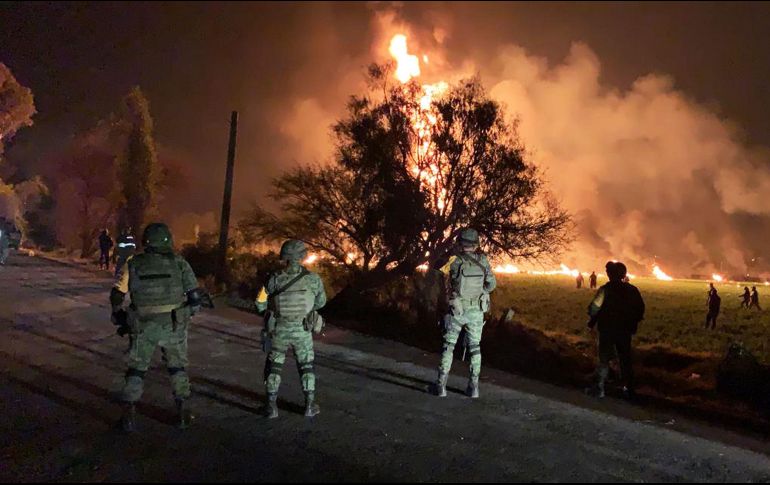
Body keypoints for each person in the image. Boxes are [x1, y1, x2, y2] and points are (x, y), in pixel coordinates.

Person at [110, 223, 204, 432]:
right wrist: (187, 314)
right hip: (173, 325)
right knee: (177, 368)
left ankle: (128, 417)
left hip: (142, 325)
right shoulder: (180, 263)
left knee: (136, 369)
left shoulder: (133, 263)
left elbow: (117, 294)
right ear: (167, 240)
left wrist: (119, 316)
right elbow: (195, 298)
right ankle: (182, 413)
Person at [255, 239, 327, 419]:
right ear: (302, 257)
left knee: (274, 366)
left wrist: (266, 312)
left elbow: (260, 301)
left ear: (284, 256)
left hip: (280, 329)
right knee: (306, 366)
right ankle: (310, 405)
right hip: (303, 330)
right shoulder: (313, 279)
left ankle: (271, 407)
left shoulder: (274, 279)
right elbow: (321, 302)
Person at [433, 228, 496, 399]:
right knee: (475, 348)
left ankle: (440, 386)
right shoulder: (483, 261)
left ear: (460, 243)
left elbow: (437, 272)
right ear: (476, 244)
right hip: (476, 311)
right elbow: (491, 285)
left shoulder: (453, 260)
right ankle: (473, 388)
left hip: (457, 309)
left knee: (449, 345)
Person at [586, 261, 645, 400]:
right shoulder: (632, 290)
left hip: (607, 329)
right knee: (625, 359)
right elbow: (640, 309)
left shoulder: (605, 290)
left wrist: (592, 320)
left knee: (604, 359)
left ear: (610, 275)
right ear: (624, 275)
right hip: (625, 331)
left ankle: (600, 388)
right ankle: (629, 389)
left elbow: (594, 309)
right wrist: (633, 323)